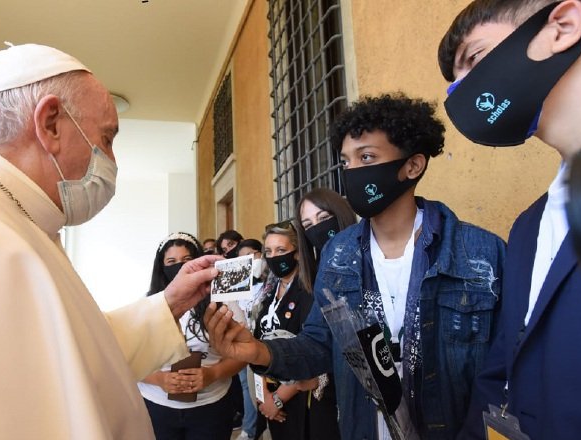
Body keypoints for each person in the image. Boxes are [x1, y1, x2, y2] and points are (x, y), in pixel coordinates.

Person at [0, 44, 219, 439]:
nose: (111, 161)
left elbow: (68, 358)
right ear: (50, 124)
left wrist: (170, 304)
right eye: (106, 138)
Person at [205, 94, 506, 440]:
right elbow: (319, 345)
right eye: (346, 162)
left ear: (413, 165)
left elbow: (504, 368)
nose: (352, 172)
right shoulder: (338, 253)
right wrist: (258, 351)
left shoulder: (480, 253)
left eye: (367, 157)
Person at [438, 1, 581, 438]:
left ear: (562, 27)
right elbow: (504, 370)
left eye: (474, 60)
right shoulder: (529, 226)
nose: (459, 94)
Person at [139, 232, 245, 440]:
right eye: (172, 261)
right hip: (156, 404)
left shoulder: (223, 301)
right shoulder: (148, 304)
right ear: (161, 267)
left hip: (211, 405)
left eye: (187, 261)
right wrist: (160, 379)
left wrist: (213, 374)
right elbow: (126, 358)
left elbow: (242, 353)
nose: (179, 267)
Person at [292, 187, 357, 440]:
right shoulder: (314, 275)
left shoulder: (371, 258)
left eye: (323, 218)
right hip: (326, 397)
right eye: (308, 224)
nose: (316, 229)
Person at [249, 221, 314, 440]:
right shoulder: (268, 292)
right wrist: (264, 396)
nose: (274, 256)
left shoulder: (308, 291)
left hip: (300, 395)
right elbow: (257, 342)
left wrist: (277, 399)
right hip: (269, 389)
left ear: (296, 253)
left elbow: (313, 349)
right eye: (268, 251)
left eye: (281, 250)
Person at [236, 238, 267, 440]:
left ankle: (255, 428)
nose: (247, 261)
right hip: (241, 340)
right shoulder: (241, 284)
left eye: (251, 256)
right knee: (246, 386)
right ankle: (251, 427)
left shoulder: (269, 282)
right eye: (242, 258)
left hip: (262, 342)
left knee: (260, 387)